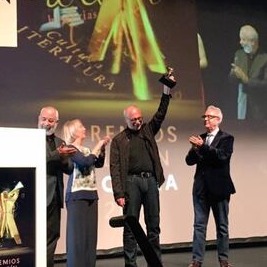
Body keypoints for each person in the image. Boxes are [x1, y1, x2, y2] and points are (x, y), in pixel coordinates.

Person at [110, 73, 175, 267]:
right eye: (134, 120)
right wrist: (118, 193)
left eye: (139, 118)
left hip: (150, 182)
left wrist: (166, 90)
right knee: (131, 227)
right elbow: (114, 168)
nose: (138, 122)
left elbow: (161, 114)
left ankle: (155, 262)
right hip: (131, 184)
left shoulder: (147, 131)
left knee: (153, 226)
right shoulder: (119, 140)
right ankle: (131, 264)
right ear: (126, 120)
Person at [186, 105, 235, 267]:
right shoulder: (200, 138)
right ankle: (197, 261)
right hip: (201, 189)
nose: (206, 119)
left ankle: (223, 260)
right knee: (199, 226)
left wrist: (202, 147)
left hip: (219, 189)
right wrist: (194, 150)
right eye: (204, 117)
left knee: (222, 226)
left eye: (209, 116)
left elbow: (221, 157)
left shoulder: (227, 138)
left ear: (218, 120)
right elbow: (189, 161)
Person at [62, 119, 110, 267]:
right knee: (77, 238)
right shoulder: (70, 148)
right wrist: (99, 144)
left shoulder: (88, 150)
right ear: (74, 131)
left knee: (90, 237)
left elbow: (98, 163)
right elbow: (85, 162)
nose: (84, 129)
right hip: (76, 196)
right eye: (81, 127)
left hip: (91, 195)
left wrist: (102, 149)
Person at [38, 106, 76, 267]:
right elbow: (38, 160)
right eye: (44, 119)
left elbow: (68, 169)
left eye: (51, 120)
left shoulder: (60, 142)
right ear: (38, 119)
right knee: (35, 236)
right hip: (36, 194)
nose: (46, 123)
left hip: (54, 196)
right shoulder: (30, 139)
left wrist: (68, 157)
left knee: (52, 235)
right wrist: (57, 154)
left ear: (56, 123)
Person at [229, 25, 267, 121]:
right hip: (241, 107)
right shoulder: (239, 54)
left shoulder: (266, 59)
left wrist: (246, 79)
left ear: (253, 42)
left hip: (258, 108)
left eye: (243, 39)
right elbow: (231, 80)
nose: (240, 42)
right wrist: (234, 73)